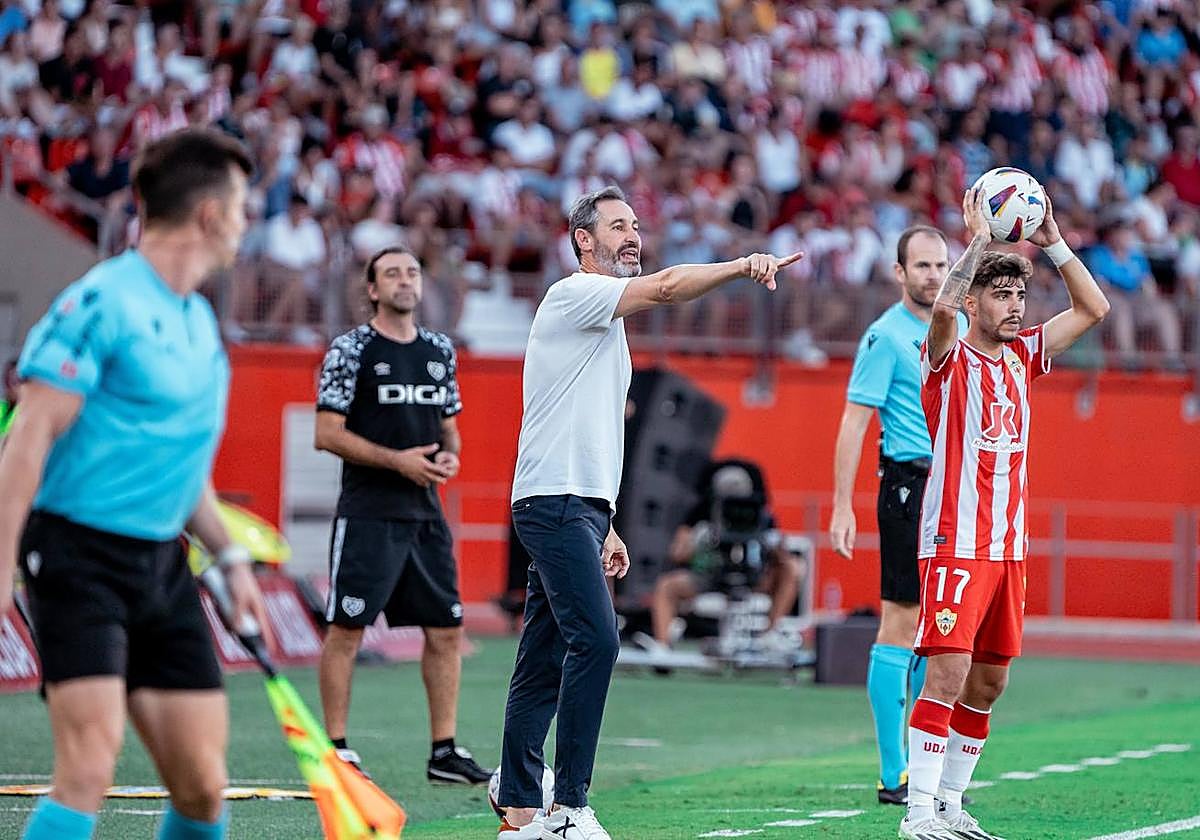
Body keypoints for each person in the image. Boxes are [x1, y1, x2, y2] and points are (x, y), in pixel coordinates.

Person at [497, 186, 800, 840]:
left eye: (636, 224)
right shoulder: (574, 294)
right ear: (583, 241)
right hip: (553, 501)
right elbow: (665, 288)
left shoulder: (605, 322)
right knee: (598, 640)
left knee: (544, 653)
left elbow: (592, 431)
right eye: (618, 226)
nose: (633, 235)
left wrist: (605, 521)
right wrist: (741, 265)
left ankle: (518, 802)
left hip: (575, 505)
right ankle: (568, 807)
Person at [0, 128, 271, 840]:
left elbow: (181, 467)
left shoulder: (198, 320)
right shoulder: (101, 302)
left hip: (162, 563)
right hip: (76, 555)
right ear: (210, 215)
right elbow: (26, 438)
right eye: (241, 207)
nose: (246, 222)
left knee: (202, 786)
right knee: (88, 766)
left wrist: (231, 556)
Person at [898, 189, 1109, 840]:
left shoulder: (1024, 358)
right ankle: (917, 812)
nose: (1015, 306)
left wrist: (1053, 242)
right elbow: (940, 312)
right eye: (1000, 295)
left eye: (1019, 296)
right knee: (948, 673)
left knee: (988, 683)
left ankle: (951, 804)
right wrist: (981, 240)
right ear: (974, 302)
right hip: (954, 541)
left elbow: (1094, 309)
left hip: (1008, 547)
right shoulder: (948, 360)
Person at [314, 245, 492, 786]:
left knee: (447, 629)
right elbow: (326, 434)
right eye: (392, 273)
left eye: (412, 272)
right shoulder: (350, 350)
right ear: (372, 289)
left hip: (425, 514)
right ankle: (336, 750)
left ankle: (444, 751)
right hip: (368, 512)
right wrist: (398, 462)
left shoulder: (439, 350)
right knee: (347, 629)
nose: (404, 280)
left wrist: (449, 457)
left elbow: (449, 428)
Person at [829, 225, 965, 806]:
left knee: (939, 628)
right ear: (900, 272)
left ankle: (921, 764)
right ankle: (895, 774)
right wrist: (842, 504)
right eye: (923, 266)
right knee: (901, 621)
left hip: (954, 491)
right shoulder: (885, 337)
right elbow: (854, 421)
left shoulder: (958, 326)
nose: (933, 276)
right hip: (909, 487)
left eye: (941, 265)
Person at [649, 459, 803, 653]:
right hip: (710, 576)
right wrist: (697, 540)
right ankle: (662, 648)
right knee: (667, 586)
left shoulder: (760, 515)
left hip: (752, 576)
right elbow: (677, 553)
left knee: (793, 568)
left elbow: (782, 555)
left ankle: (769, 635)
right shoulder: (702, 513)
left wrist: (772, 544)